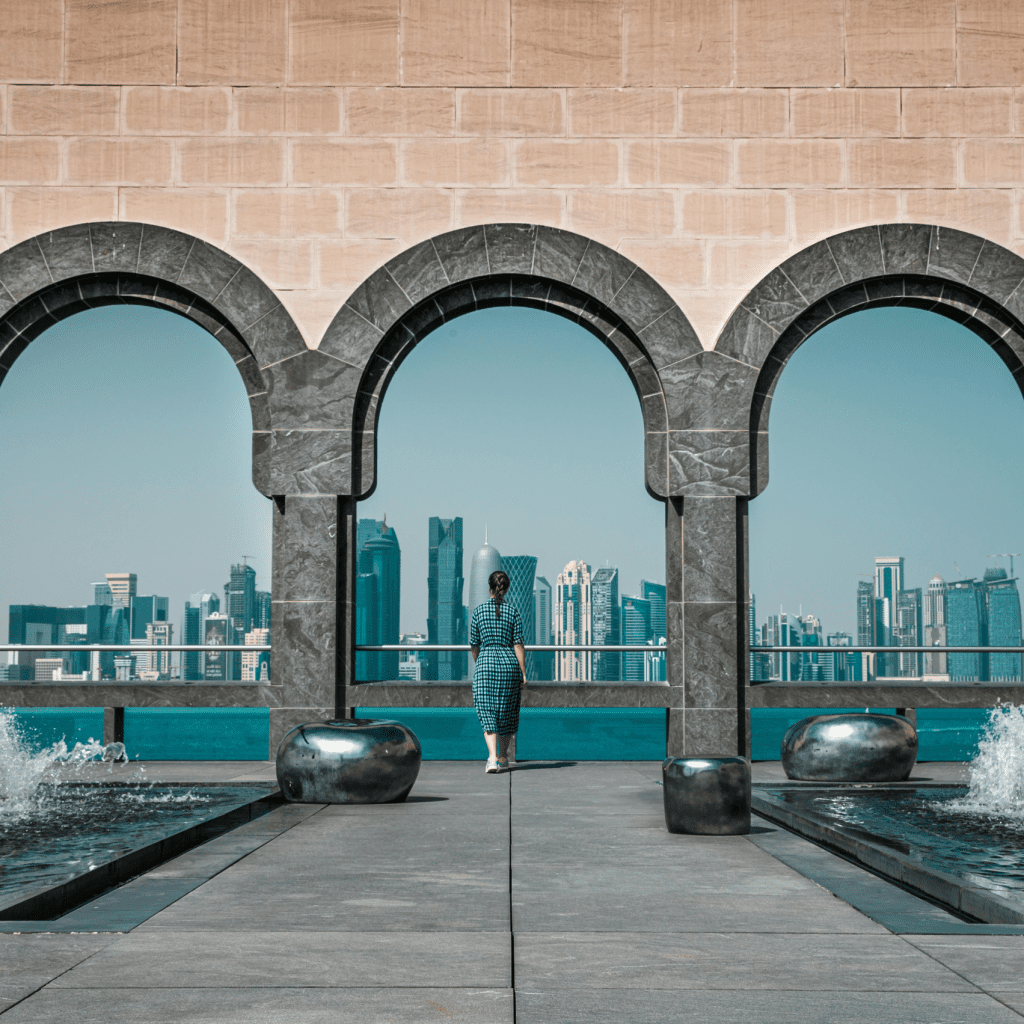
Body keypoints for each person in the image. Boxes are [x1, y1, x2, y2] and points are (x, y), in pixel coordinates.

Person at [469, 570, 526, 773]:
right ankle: (503, 757)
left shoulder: (478, 611)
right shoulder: (513, 612)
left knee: (487, 712)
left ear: (489, 588)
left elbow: (474, 645)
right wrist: (523, 672)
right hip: (509, 666)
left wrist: (481, 662)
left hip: (485, 664)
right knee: (507, 712)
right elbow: (518, 644)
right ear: (506, 588)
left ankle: (492, 758)